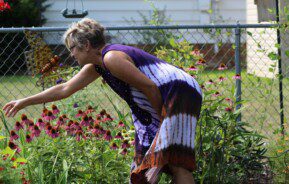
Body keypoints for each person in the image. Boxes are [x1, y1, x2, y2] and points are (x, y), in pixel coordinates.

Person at [3, 18, 202, 184]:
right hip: (167, 95)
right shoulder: (97, 65)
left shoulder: (112, 58)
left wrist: (162, 121)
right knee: (148, 164)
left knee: (175, 161)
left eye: (72, 48)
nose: (71, 54)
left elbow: (149, 87)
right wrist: (24, 101)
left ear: (86, 45)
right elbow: (65, 89)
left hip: (178, 91)